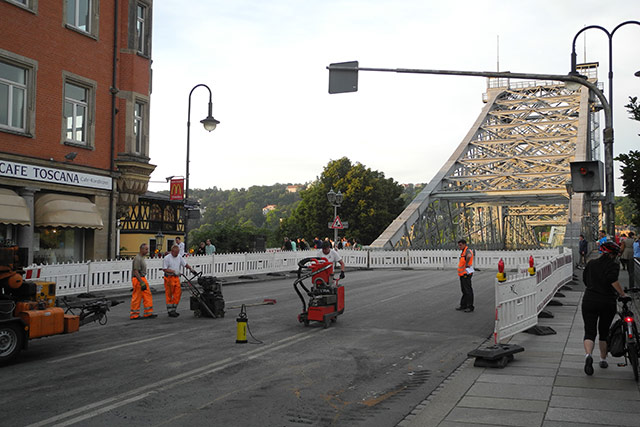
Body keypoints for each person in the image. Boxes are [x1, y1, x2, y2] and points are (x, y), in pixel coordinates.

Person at [582, 241, 627, 375]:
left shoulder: (591, 264)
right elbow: (613, 281)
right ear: (613, 255)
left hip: (589, 300)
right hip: (607, 301)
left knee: (589, 331)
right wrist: (622, 294)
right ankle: (602, 359)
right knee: (604, 331)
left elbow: (585, 281)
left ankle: (588, 356)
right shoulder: (613, 265)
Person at [162, 244, 196, 317]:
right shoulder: (167, 258)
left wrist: (191, 269)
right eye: (175, 253)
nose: (177, 254)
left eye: (178, 253)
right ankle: (170, 311)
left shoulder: (179, 257)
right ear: (172, 251)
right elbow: (164, 269)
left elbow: (185, 264)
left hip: (176, 278)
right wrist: (173, 271)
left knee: (178, 293)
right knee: (169, 295)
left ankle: (174, 309)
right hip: (169, 278)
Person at [130, 243, 157, 320]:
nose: (147, 251)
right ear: (141, 249)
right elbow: (135, 271)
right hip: (138, 279)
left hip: (141, 278)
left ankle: (148, 313)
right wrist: (141, 282)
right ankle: (134, 314)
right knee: (137, 297)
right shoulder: (137, 259)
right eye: (146, 249)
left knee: (147, 295)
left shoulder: (141, 258)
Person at [455, 239, 474, 313]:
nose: (459, 246)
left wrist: (466, 263)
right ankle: (463, 305)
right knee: (464, 290)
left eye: (460, 245)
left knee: (468, 290)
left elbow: (469, 256)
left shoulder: (467, 251)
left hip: (466, 274)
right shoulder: (463, 251)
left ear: (464, 244)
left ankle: (470, 306)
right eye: (459, 245)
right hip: (462, 274)